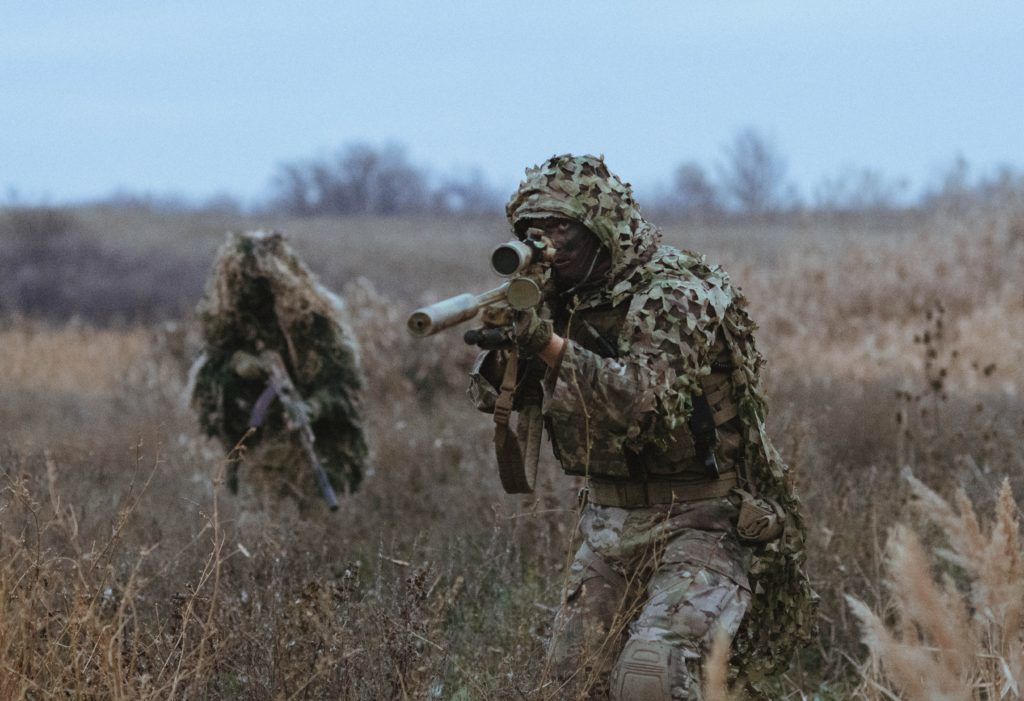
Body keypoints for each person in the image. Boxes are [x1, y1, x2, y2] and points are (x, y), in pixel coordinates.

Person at [468, 155, 815, 699]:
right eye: (534, 232)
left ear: (601, 230)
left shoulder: (677, 290)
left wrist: (547, 344)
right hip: (609, 524)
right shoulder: (556, 299)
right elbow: (494, 400)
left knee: (652, 674)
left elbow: (640, 401)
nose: (547, 246)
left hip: (702, 521)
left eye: (561, 229)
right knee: (567, 683)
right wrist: (506, 354)